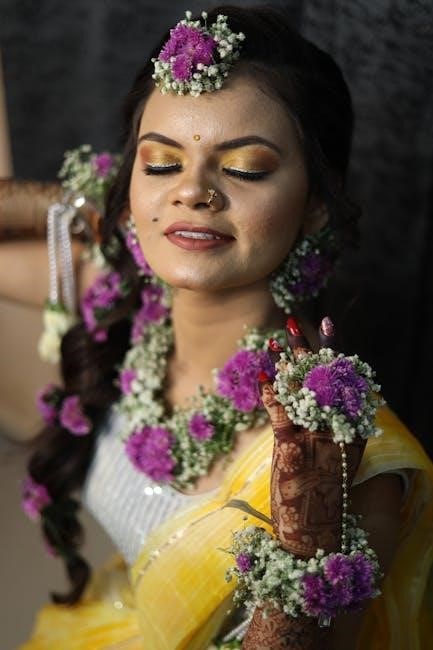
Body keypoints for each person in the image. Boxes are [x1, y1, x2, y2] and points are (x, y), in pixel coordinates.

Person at [16, 5, 432, 649]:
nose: (193, 192)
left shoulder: (338, 452)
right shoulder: (122, 300)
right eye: (161, 163)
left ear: (316, 205)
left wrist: (308, 536)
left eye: (244, 169)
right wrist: (92, 204)